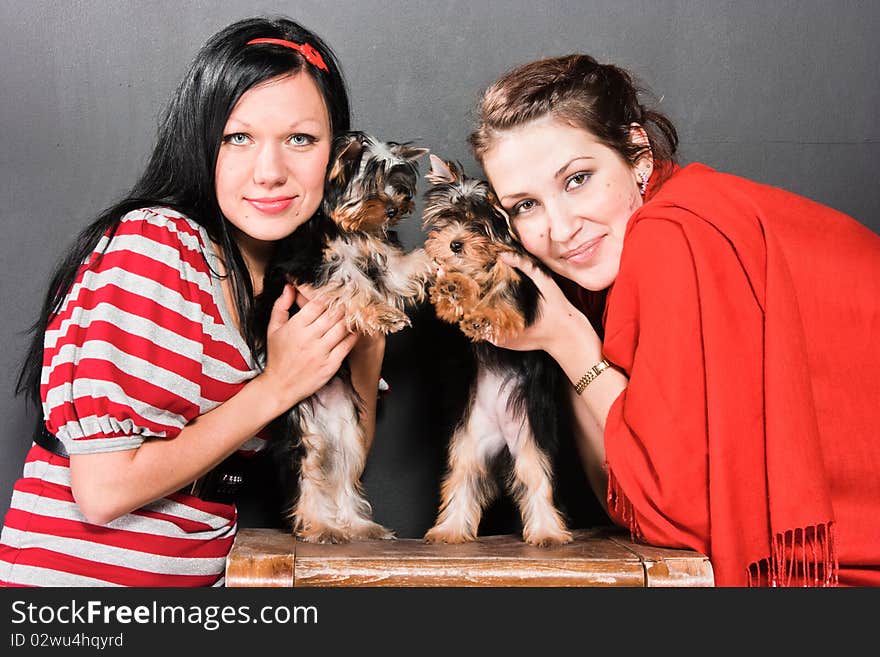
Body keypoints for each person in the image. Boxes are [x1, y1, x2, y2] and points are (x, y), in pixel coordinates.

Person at [0, 16, 386, 586]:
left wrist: (367, 350)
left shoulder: (293, 279)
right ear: (201, 142)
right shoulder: (154, 244)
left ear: (337, 154)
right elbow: (104, 492)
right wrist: (278, 385)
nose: (271, 171)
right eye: (238, 138)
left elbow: (335, 471)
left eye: (300, 139)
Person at [468, 53, 880, 587]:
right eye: (525, 205)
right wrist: (569, 334)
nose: (561, 228)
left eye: (577, 180)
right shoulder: (645, 239)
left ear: (637, 152)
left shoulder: (673, 233)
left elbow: (675, 514)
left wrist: (569, 341)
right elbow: (628, 499)